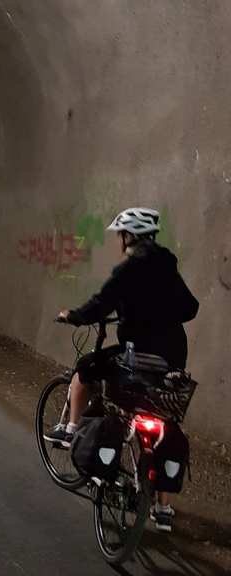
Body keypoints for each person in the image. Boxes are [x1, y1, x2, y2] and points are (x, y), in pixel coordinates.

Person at [45, 207, 199, 532]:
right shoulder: (168, 266)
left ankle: (71, 429)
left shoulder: (128, 269)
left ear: (128, 236)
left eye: (121, 235)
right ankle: (163, 508)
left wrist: (73, 315)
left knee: (87, 367)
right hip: (172, 361)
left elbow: (101, 304)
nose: (120, 240)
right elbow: (190, 307)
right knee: (164, 422)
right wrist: (162, 315)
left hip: (137, 356)